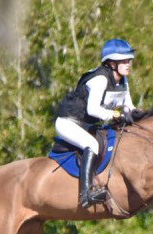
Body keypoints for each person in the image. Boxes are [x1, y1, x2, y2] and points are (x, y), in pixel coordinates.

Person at [55, 38, 136, 208]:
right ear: (112, 64)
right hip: (69, 123)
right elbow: (93, 110)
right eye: (124, 61)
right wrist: (116, 114)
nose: (128, 64)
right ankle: (85, 194)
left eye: (129, 60)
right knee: (92, 144)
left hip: (89, 126)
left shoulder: (123, 81)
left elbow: (129, 106)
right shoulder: (100, 79)